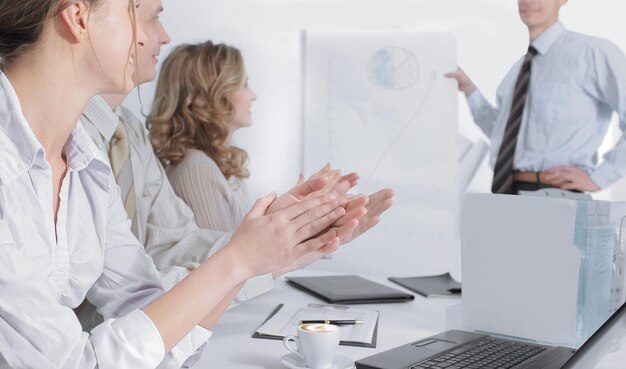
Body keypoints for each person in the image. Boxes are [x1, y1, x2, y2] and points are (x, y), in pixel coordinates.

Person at [0, 0, 362, 367]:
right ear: (78, 18)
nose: (149, 37)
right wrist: (237, 260)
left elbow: (152, 326)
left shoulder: (86, 163)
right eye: (135, 11)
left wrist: (255, 252)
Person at [147, 41, 362, 232]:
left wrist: (305, 208)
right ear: (214, 96)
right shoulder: (197, 169)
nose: (254, 95)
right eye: (244, 84)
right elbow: (229, 261)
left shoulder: (215, 165)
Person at [447, 0, 626, 195]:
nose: (530, 1)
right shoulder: (517, 71)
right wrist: (469, 89)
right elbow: (504, 133)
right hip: (507, 191)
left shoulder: (592, 53)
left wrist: (599, 178)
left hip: (555, 194)